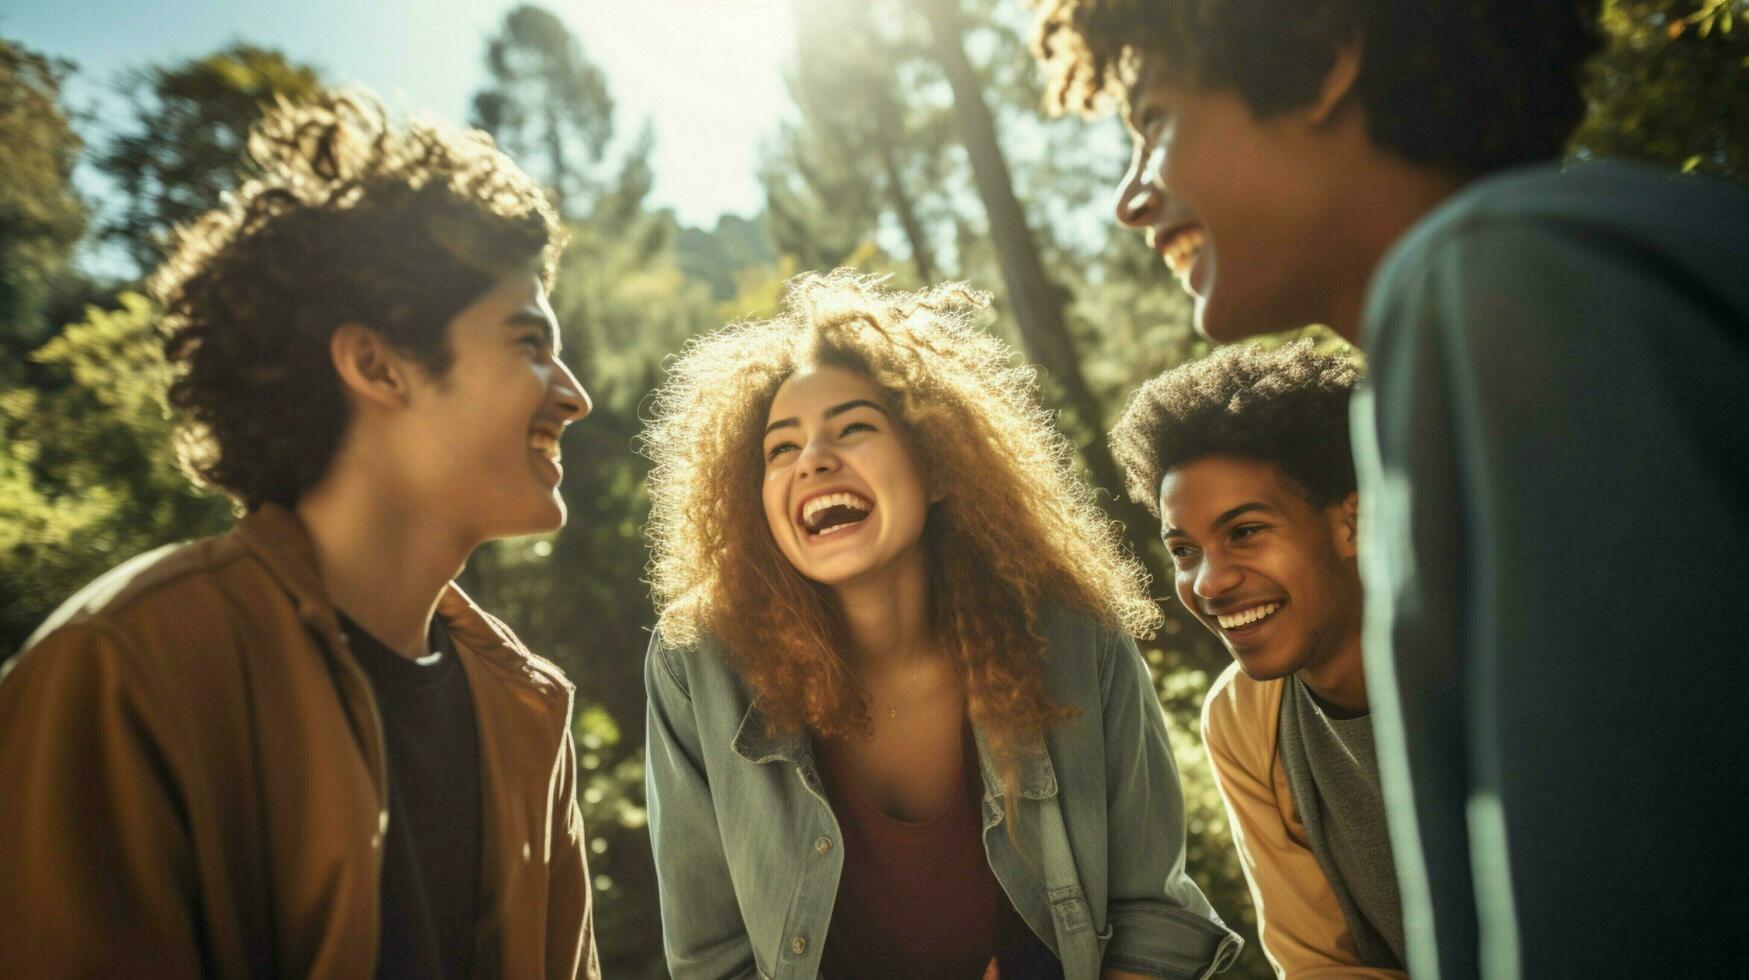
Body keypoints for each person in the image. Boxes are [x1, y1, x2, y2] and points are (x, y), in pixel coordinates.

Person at [1033, 2, 1749, 976]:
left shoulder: (1504, 282)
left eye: (1154, 123)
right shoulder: (1526, 279)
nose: (1130, 199)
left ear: (1326, 58)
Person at [0, 90, 601, 978]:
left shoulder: (524, 707)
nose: (573, 393)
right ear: (374, 364)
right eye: (528, 342)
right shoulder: (126, 667)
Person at [640, 271, 1241, 980]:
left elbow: (1155, 919)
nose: (812, 461)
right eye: (779, 449)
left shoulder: (1076, 633)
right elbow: (712, 962)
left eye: (853, 428)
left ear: (940, 467)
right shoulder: (697, 662)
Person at [1111, 340, 1404, 977]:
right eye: (1184, 551)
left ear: (1352, 522)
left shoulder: (1487, 656)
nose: (1209, 582)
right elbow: (1319, 964)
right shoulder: (1244, 719)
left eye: (1244, 532)